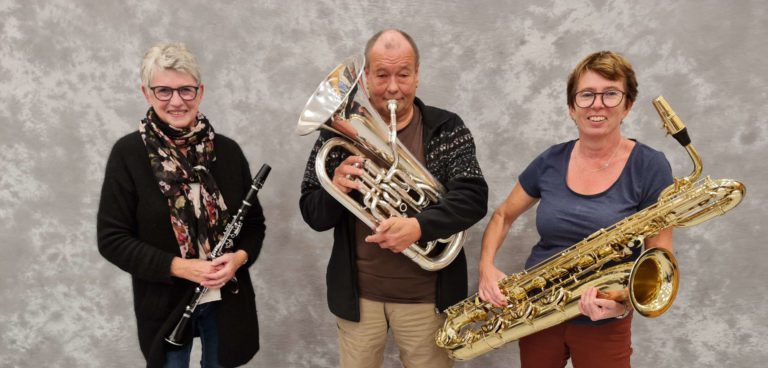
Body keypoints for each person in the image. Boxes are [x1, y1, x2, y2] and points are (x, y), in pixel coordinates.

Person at [299, 29, 488, 368]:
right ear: (366, 77)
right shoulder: (339, 134)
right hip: (359, 301)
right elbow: (313, 215)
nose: (392, 87)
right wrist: (336, 189)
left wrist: (418, 226)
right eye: (382, 75)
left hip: (427, 300)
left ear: (417, 75)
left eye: (403, 74)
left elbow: (474, 196)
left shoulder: (446, 128)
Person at [477, 51, 674, 368]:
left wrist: (621, 303)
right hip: (537, 312)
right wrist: (486, 268)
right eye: (587, 95)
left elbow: (659, 261)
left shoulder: (650, 166)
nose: (598, 105)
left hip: (604, 319)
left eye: (610, 94)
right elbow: (502, 216)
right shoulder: (550, 160)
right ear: (572, 108)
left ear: (628, 105)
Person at [97, 43, 264, 368]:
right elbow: (112, 240)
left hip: (225, 301)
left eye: (186, 90)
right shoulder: (128, 154)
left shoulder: (227, 152)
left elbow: (254, 226)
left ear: (199, 92)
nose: (176, 101)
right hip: (165, 304)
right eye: (163, 91)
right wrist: (182, 267)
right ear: (147, 94)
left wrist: (238, 260)